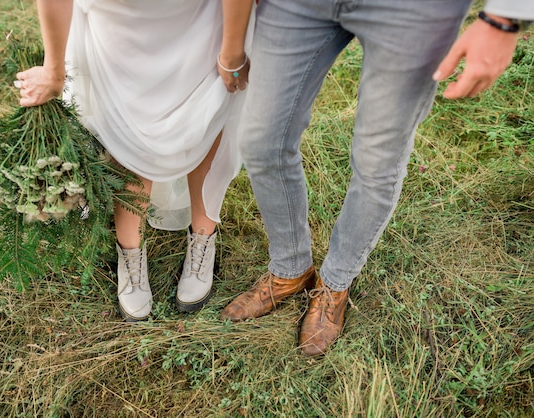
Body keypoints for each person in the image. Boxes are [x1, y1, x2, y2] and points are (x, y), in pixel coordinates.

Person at [221, 0, 533, 356]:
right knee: (262, 142)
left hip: (411, 11)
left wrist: (505, 19)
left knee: (376, 162)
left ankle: (335, 283)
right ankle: (291, 269)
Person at [16, 0, 254, 321]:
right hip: (119, 26)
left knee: (205, 114)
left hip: (198, 19)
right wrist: (54, 70)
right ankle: (130, 253)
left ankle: (202, 238)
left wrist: (232, 51)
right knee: (125, 127)